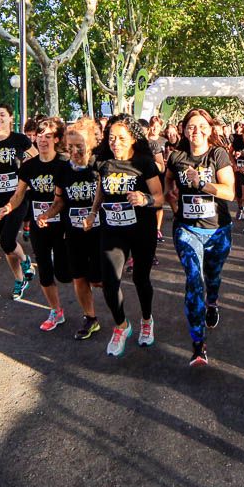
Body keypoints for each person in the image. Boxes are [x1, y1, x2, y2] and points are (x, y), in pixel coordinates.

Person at [164, 108, 237, 366]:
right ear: (183, 130)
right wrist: (172, 203)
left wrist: (202, 184)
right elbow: (168, 184)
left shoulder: (217, 154)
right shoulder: (176, 156)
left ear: (210, 129)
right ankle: (198, 344)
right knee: (194, 280)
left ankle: (213, 302)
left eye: (201, 126)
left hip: (218, 230)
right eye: (191, 126)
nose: (196, 131)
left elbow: (230, 193)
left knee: (212, 277)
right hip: (187, 229)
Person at [88, 115, 164, 356]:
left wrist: (145, 199)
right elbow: (100, 191)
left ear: (133, 138)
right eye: (112, 138)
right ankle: (121, 325)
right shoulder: (104, 162)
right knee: (109, 283)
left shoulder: (144, 163)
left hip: (142, 230)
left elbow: (160, 197)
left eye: (121, 138)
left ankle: (146, 319)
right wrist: (92, 213)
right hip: (112, 230)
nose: (115, 142)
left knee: (141, 279)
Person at [0, 117, 73, 331]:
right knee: (46, 272)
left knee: (64, 274)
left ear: (56, 139)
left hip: (62, 224)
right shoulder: (29, 166)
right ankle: (56, 311)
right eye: (39, 136)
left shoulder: (64, 163)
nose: (42, 140)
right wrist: (8, 207)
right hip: (40, 226)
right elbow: (19, 193)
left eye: (48, 136)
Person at [39, 117, 105, 340]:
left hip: (100, 233)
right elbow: (59, 201)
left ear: (92, 144)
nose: (75, 151)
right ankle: (90, 318)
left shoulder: (100, 167)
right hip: (74, 233)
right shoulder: (63, 170)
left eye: (80, 146)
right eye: (71, 147)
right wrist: (47, 215)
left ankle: (117, 308)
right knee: (79, 277)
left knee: (98, 279)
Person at [0, 104, 37, 299]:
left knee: (7, 239)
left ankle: (25, 260)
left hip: (18, 196)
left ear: (11, 118)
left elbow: (37, 161)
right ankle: (19, 279)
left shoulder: (19, 140)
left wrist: (29, 180)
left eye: (2, 115)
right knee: (6, 245)